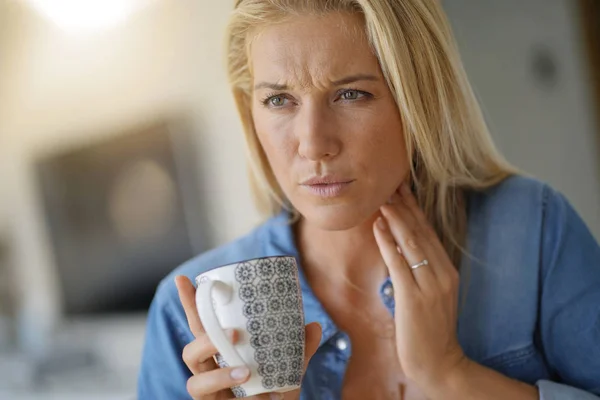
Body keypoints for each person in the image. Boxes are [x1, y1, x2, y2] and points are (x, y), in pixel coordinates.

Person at [137, 0, 600, 399]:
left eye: (351, 94)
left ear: (417, 98)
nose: (313, 143)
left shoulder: (533, 230)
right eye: (279, 100)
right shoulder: (191, 311)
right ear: (249, 111)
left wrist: (449, 375)